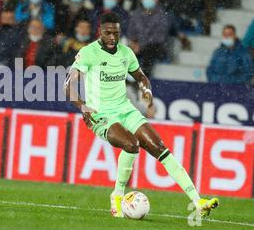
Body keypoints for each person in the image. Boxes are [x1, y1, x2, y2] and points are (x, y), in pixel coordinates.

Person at [64, 12, 219, 219]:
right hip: (100, 115)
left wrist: (146, 90)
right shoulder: (88, 53)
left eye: (116, 33)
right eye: (108, 33)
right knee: (131, 144)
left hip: (126, 109)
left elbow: (141, 77)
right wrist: (82, 106)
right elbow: (69, 84)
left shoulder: (126, 53)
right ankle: (117, 195)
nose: (112, 38)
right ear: (100, 31)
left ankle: (197, 201)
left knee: (159, 147)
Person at [127, 0, 170, 77]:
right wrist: (134, 42)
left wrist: (141, 44)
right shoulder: (136, 13)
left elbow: (160, 36)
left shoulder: (162, 15)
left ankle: (143, 81)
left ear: (156, 0)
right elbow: (131, 31)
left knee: (149, 51)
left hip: (155, 47)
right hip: (138, 45)